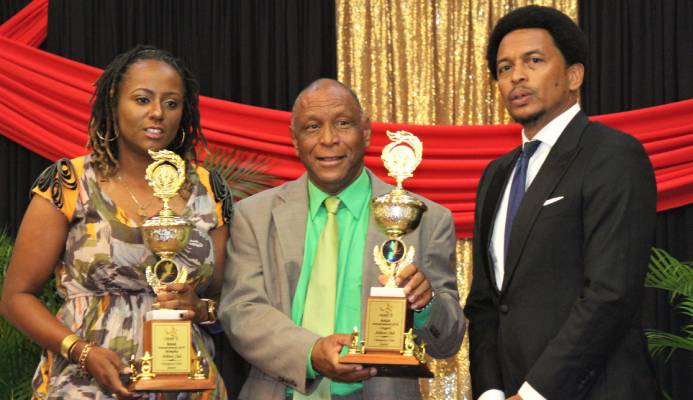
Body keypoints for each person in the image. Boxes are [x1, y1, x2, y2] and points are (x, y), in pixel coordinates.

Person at [0, 45, 232, 399]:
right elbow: (16, 297)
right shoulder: (70, 182)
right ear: (114, 101)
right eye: (142, 100)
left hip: (189, 385)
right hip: (83, 384)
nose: (158, 113)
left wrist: (200, 308)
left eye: (171, 103)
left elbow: (225, 299)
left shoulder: (208, 189)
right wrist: (81, 351)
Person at [219, 78, 465, 399]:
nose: (329, 139)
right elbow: (241, 311)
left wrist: (426, 304)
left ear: (365, 132)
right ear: (294, 140)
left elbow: (447, 341)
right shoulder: (254, 216)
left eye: (343, 124)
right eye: (312, 127)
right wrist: (311, 352)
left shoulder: (426, 219)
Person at [464, 6, 659, 400]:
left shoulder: (612, 155)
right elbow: (486, 303)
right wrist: (490, 392)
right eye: (504, 68)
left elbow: (610, 295)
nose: (516, 75)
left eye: (533, 61)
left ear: (574, 76)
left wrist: (535, 393)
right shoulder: (496, 175)